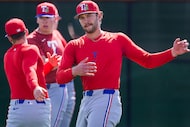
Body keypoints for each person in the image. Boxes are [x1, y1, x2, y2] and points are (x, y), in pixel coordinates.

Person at [56, 1, 190, 127]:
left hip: (106, 98)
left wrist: (172, 52)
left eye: (89, 15)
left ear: (100, 16)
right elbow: (60, 77)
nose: (86, 20)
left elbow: (147, 60)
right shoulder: (74, 45)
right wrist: (75, 71)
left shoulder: (117, 39)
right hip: (86, 101)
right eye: (82, 17)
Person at [27, 2, 75, 127]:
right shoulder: (32, 39)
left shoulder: (56, 34)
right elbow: (45, 65)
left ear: (56, 19)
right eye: (42, 18)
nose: (45, 21)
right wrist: (62, 63)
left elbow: (68, 56)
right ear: (37, 20)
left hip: (67, 85)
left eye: (48, 18)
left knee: (63, 123)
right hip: (49, 87)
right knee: (51, 123)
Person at [4, 18, 51, 127]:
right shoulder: (31, 49)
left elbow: (31, 73)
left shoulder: (7, 55)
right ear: (26, 32)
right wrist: (35, 87)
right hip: (38, 105)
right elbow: (29, 70)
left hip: (16, 108)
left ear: (10, 38)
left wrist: (49, 65)